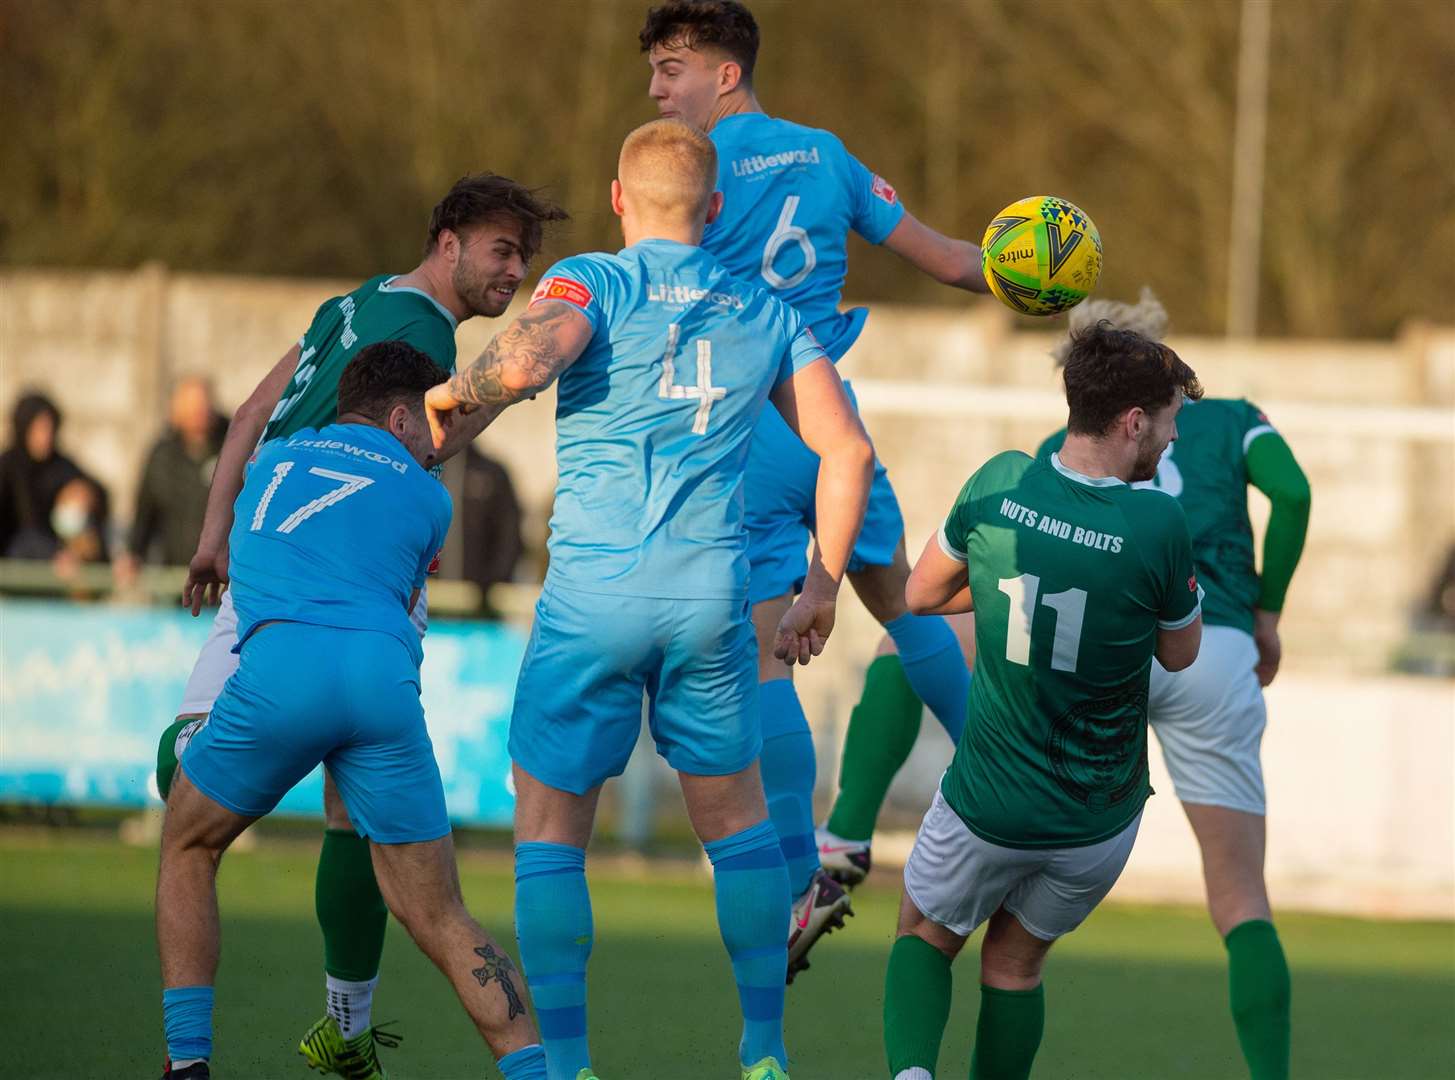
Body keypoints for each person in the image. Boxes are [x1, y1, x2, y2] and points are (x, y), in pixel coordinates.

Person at [425, 118, 874, 1080]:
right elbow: (849, 452)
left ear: (620, 198)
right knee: (739, 828)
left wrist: (445, 395)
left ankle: (571, 1065)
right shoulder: (765, 306)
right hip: (711, 604)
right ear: (714, 210)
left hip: (593, 596)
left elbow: (519, 366)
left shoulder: (593, 278)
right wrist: (822, 589)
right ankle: (762, 1053)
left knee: (550, 835)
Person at [155, 173, 567, 1079]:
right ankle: (364, 1028)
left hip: (277, 552)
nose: (515, 274)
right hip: (360, 593)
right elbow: (423, 448)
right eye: (503, 252)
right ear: (447, 241)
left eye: (525, 260)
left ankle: (226, 1054)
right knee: (414, 879)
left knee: (190, 820)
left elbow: (256, 413)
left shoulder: (354, 302)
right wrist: (503, 385)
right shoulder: (420, 335)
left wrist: (215, 529)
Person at [638, 1, 991, 961]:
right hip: (832, 423)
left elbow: (648, 295)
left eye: (673, 70)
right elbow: (949, 259)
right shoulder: (829, 156)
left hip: (740, 428)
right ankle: (1008, 792)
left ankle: (798, 881)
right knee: (910, 611)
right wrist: (1031, 279)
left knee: (760, 659)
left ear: (725, 74)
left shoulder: (687, 183)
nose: (659, 90)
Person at [883, 323, 1204, 1080]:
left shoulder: (998, 482)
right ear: (1132, 423)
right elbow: (1179, 653)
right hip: (1094, 818)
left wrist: (1002, 596)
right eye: (1168, 422)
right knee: (1015, 965)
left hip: (987, 803)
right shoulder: (1157, 524)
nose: (1170, 439)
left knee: (923, 933)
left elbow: (920, 594)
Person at [1037, 290, 1307, 1080]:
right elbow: (1291, 493)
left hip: (1102, 647)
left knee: (1013, 882)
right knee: (1238, 898)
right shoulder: (1225, 417)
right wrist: (1266, 613)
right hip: (1212, 645)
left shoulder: (1070, 440)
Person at [120, 376, 229, 575]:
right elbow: (145, 510)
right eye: (192, 406)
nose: (199, 412)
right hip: (175, 573)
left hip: (222, 575)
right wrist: (133, 553)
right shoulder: (162, 454)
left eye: (203, 404)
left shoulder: (233, 445)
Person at [0, 391, 108, 562]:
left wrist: (85, 494)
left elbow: (97, 492)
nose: (46, 436)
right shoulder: (8, 465)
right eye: (40, 429)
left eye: (50, 429)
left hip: (60, 552)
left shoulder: (60, 465)